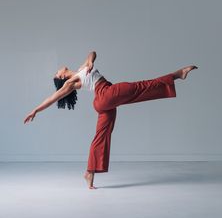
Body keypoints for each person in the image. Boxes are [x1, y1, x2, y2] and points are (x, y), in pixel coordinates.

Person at [24, 51, 198, 189]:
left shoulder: (80, 69)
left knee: (102, 135)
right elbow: (53, 98)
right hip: (105, 95)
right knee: (140, 87)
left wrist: (90, 61)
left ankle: (89, 173)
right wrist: (35, 110)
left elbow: (92, 52)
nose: (58, 69)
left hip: (104, 100)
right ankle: (176, 75)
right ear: (61, 77)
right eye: (56, 72)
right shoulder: (70, 82)